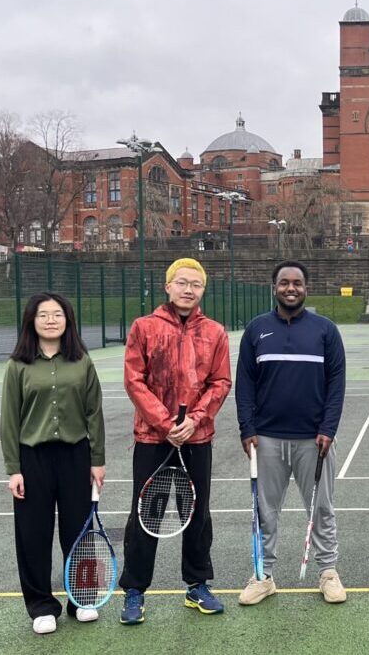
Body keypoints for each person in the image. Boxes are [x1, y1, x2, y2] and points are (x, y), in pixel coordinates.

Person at [117, 258, 232, 624]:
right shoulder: (144, 327)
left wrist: (195, 420)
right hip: (152, 438)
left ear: (203, 290)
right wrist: (166, 424)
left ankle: (197, 585)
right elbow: (135, 380)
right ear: (167, 286)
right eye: (181, 282)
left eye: (195, 284)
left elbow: (220, 382)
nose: (188, 289)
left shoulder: (215, 332)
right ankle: (135, 591)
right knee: (145, 513)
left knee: (197, 514)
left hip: (197, 441)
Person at [236, 260, 347, 605]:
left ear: (306, 288)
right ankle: (263, 574)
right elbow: (244, 384)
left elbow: (336, 384)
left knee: (321, 509)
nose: (290, 288)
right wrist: (247, 428)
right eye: (284, 283)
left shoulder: (325, 330)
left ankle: (328, 572)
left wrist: (328, 428)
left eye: (297, 283)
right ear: (275, 287)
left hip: (313, 439)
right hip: (266, 439)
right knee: (264, 512)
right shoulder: (256, 330)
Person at [0, 292, 105, 635]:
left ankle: (83, 599)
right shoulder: (18, 366)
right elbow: (10, 421)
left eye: (57, 314)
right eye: (43, 315)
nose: (50, 320)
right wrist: (13, 468)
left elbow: (94, 413)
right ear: (31, 321)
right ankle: (41, 606)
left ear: (67, 320)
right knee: (33, 535)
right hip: (33, 460)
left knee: (80, 532)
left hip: (76, 456)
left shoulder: (82, 362)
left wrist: (97, 460)